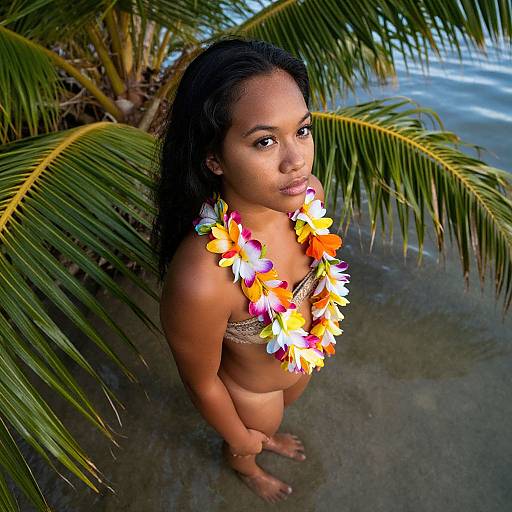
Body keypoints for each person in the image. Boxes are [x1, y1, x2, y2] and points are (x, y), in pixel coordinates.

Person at [151, 36, 345, 503]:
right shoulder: (203, 277)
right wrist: (239, 439)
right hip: (247, 395)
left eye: (302, 130)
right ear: (213, 158)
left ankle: (265, 438)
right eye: (264, 141)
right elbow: (201, 382)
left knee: (273, 422)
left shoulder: (307, 197)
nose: (296, 160)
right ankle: (245, 468)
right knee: (250, 439)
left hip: (300, 362)